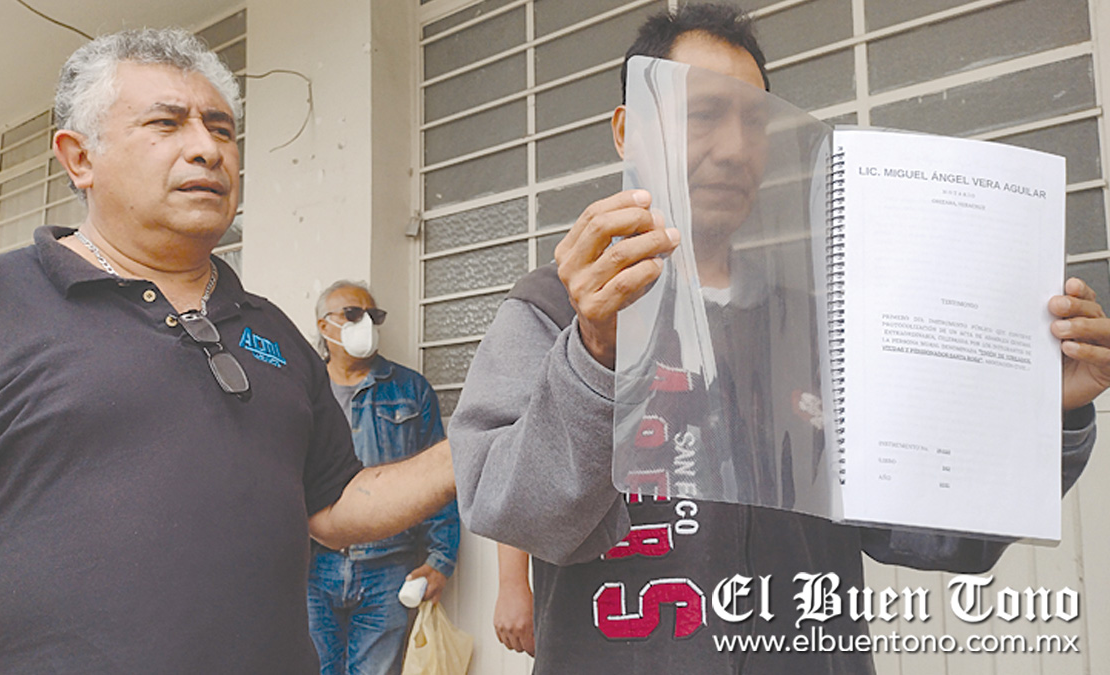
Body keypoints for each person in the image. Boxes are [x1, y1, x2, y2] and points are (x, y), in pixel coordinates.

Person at [449, 4, 1107, 673]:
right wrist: (595, 355)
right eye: (704, 113)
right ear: (628, 131)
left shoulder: (824, 329)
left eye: (755, 121)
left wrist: (1042, 409)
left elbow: (936, 534)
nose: (735, 148)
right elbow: (511, 511)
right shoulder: (553, 311)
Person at [0, 28, 453, 674]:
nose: (207, 149)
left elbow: (335, 506)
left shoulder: (275, 332)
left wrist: (481, 444)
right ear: (79, 158)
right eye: (166, 124)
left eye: (222, 130)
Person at [307, 280, 460, 675]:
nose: (366, 324)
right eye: (353, 314)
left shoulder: (410, 390)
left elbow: (437, 478)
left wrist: (441, 560)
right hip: (313, 565)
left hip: (388, 566)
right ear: (324, 326)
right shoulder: (302, 390)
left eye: (373, 316)